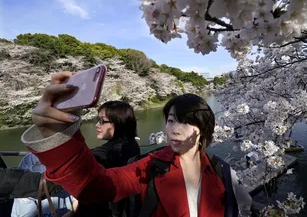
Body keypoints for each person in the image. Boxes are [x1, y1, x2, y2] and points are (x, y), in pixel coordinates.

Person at [21, 72, 252, 217]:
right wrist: (58, 133)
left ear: (203, 129)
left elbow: (243, 204)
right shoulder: (150, 166)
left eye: (186, 122)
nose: (175, 128)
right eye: (171, 120)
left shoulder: (221, 171)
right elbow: (96, 186)